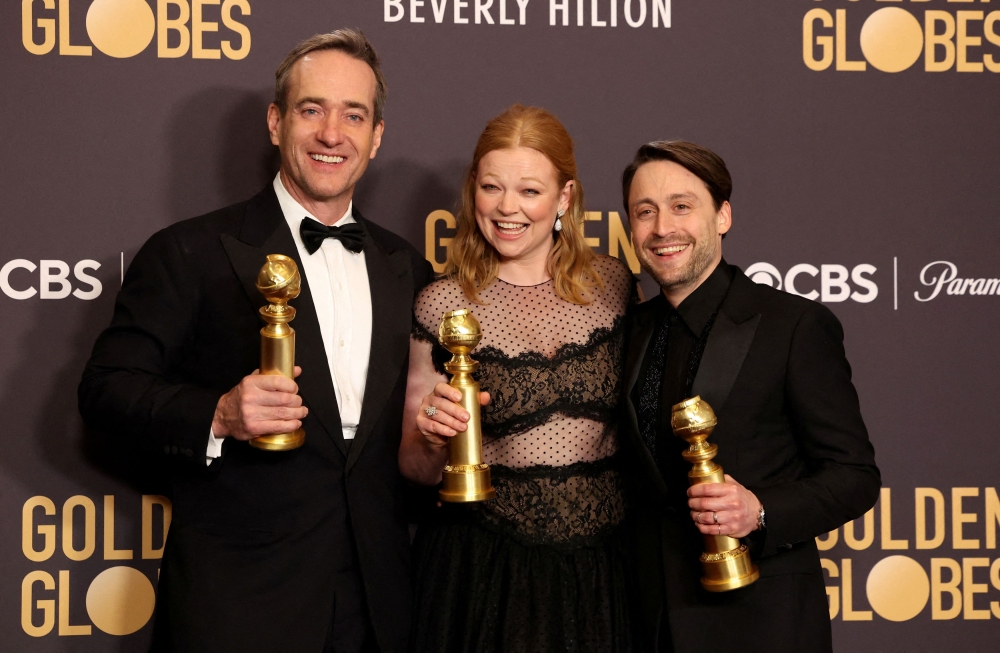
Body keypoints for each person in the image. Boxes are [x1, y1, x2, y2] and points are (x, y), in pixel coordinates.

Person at [78, 30, 431, 653]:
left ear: (376, 136)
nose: (332, 133)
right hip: (239, 607)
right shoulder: (188, 251)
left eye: (354, 115)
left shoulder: (408, 268)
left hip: (379, 607)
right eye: (311, 109)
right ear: (275, 122)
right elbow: (105, 391)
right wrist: (218, 414)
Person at [617, 140, 880, 652]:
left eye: (682, 206)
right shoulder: (629, 330)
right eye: (644, 212)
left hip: (761, 622)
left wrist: (759, 511)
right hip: (648, 623)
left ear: (723, 215)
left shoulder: (794, 325)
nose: (662, 228)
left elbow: (855, 476)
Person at [400, 105, 638, 652]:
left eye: (529, 191)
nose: (508, 208)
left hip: (604, 572)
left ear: (565, 197)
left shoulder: (615, 285)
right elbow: (414, 467)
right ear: (473, 193)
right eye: (492, 187)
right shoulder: (441, 303)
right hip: (483, 573)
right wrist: (432, 438)